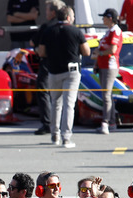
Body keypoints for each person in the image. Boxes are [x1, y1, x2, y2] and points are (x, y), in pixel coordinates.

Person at [37, 6, 89, 148]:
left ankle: (55, 134)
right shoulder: (76, 31)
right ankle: (66, 137)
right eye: (72, 16)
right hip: (71, 71)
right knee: (69, 104)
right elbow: (86, 51)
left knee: (56, 103)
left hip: (53, 71)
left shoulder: (48, 31)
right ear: (68, 17)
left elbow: (41, 52)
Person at [31, 0, 65, 136]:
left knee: (43, 90)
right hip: (66, 64)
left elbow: (34, 42)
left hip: (48, 63)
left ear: (53, 12)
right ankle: (62, 123)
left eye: (47, 10)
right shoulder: (69, 27)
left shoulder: (47, 27)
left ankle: (48, 123)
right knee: (64, 96)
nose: (45, 13)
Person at [95, 9, 122, 135]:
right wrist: (97, 62)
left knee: (106, 95)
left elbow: (113, 49)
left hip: (110, 66)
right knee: (108, 95)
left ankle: (105, 123)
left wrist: (99, 54)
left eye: (104, 17)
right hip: (103, 66)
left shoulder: (115, 31)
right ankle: (111, 122)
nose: (102, 19)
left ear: (110, 18)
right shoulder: (108, 31)